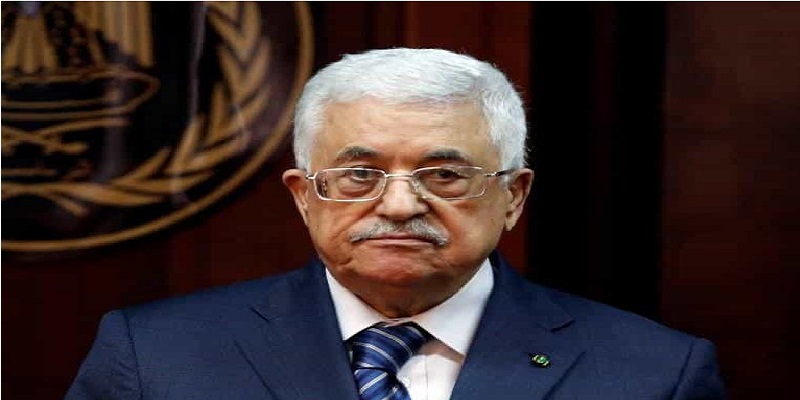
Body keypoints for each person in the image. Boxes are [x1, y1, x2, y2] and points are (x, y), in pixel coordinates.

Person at [66, 48, 727, 400]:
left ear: (513, 197)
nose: (400, 205)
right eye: (360, 174)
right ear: (304, 196)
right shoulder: (156, 358)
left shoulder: (652, 373)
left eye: (445, 175)